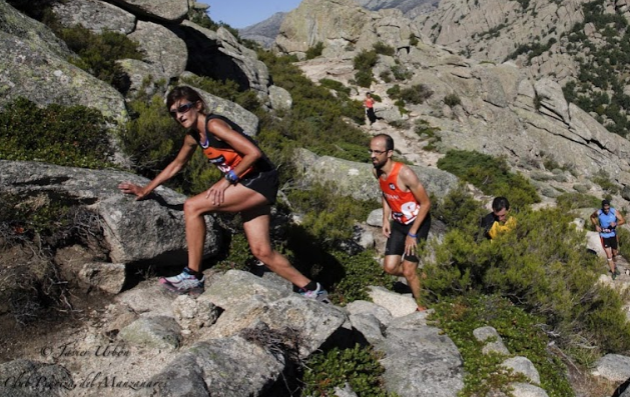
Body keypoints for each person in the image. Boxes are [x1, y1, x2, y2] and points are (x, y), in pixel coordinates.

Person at [119, 86, 328, 300]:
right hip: (249, 183)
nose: (179, 116)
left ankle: (192, 275)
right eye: (173, 113)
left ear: (198, 105)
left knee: (192, 206)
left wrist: (226, 181)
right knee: (262, 252)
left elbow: (253, 153)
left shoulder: (214, 125)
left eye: (183, 108)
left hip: (259, 181)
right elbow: (177, 164)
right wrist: (146, 189)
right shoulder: (193, 136)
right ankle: (312, 289)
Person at [370, 134, 431, 311]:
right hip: (398, 222)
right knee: (389, 268)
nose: (373, 155)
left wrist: (412, 233)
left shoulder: (404, 174)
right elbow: (385, 193)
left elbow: (426, 203)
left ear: (389, 153)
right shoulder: (377, 170)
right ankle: (421, 276)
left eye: (377, 152)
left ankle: (423, 308)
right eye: (371, 151)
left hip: (417, 223)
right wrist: (385, 217)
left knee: (409, 270)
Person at [590, 199, 626, 280]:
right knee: (609, 255)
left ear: (609, 207)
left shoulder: (614, 212)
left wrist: (616, 223)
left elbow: (623, 220)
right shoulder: (599, 212)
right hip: (603, 236)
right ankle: (613, 272)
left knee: (615, 253)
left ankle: (614, 266)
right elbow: (592, 217)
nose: (606, 210)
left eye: (608, 208)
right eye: (605, 209)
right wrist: (596, 225)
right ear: (602, 207)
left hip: (613, 235)